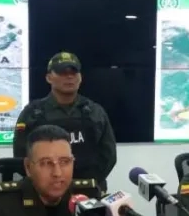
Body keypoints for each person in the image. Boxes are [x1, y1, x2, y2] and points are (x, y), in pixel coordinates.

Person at [11, 52, 117, 191]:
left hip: (88, 190)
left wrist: (86, 184)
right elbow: (21, 156)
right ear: (49, 78)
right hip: (45, 193)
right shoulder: (32, 114)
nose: (69, 77)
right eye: (62, 72)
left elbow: (109, 155)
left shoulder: (95, 112)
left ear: (80, 77)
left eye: (74, 72)